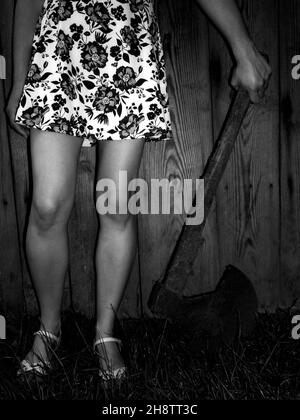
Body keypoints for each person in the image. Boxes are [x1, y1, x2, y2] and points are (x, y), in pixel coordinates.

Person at [5, 0, 271, 381]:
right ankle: (48, 329)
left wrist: (242, 46)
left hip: (128, 45)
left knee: (116, 206)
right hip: (58, 46)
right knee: (46, 206)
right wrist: (18, 77)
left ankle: (105, 334)